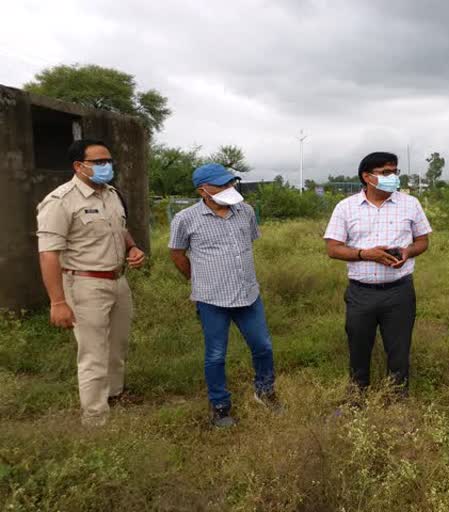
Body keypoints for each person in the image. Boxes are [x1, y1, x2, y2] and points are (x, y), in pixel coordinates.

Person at [36, 139, 145, 427]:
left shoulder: (111, 194)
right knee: (93, 353)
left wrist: (132, 248)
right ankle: (95, 418)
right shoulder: (61, 201)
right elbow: (49, 254)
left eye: (108, 161)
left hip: (118, 280)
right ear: (78, 166)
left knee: (117, 347)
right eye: (98, 162)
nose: (106, 166)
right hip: (84, 285)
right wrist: (58, 302)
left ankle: (114, 394)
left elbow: (120, 229)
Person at [169, 163, 278, 428]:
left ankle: (264, 391)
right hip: (212, 299)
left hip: (248, 294)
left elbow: (246, 244)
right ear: (203, 190)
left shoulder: (246, 212)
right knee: (216, 355)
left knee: (263, 347)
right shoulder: (185, 219)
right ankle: (220, 406)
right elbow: (177, 254)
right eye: (222, 185)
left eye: (231, 183)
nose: (230, 189)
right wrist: (198, 280)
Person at [323, 152, 432, 400]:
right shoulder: (346, 207)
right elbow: (333, 249)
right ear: (367, 177)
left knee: (399, 350)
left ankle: (397, 400)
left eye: (395, 171)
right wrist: (365, 254)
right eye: (385, 172)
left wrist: (408, 251)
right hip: (362, 293)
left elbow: (423, 241)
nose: (392, 177)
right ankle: (357, 398)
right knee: (359, 349)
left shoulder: (410, 203)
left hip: (399, 291)